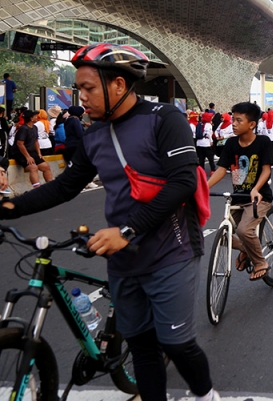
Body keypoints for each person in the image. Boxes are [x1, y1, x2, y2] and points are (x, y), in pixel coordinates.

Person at [0, 44, 218, 401]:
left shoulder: (164, 119)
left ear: (118, 84)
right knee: (143, 347)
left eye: (88, 88)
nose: (81, 96)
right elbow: (65, 187)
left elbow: (183, 183)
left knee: (176, 343)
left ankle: (207, 396)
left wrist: (127, 231)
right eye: (78, 89)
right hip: (124, 258)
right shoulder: (94, 135)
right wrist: (9, 207)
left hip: (171, 249)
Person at [207, 102, 273, 282]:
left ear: (251, 124)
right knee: (223, 234)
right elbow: (221, 170)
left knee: (244, 230)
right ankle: (246, 249)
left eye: (238, 120)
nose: (233, 124)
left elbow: (266, 170)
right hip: (237, 198)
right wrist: (204, 187)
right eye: (233, 119)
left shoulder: (263, 142)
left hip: (259, 198)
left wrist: (255, 189)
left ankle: (260, 263)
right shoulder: (230, 143)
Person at [14, 110, 54, 188]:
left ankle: (51, 187)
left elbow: (36, 141)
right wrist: (27, 157)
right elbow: (20, 144)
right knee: (33, 167)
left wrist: (39, 153)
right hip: (20, 153)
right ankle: (37, 189)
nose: (37, 117)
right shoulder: (24, 129)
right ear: (31, 118)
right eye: (35, 116)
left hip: (31, 152)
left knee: (46, 166)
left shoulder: (34, 127)